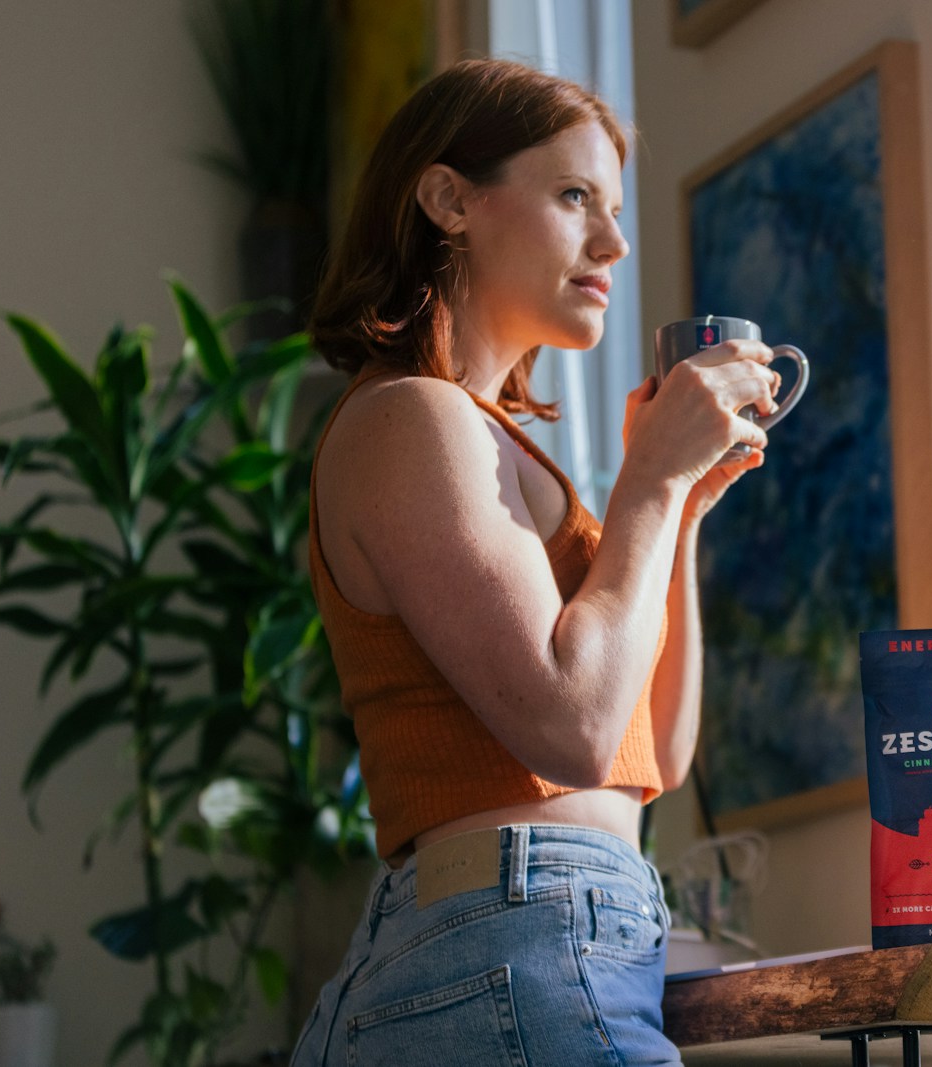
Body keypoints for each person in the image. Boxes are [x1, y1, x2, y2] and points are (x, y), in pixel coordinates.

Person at [288, 58, 779, 1066]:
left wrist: (676, 502)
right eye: (573, 197)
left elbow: (653, 751)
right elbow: (571, 727)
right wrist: (645, 480)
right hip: (513, 938)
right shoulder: (410, 418)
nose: (614, 240)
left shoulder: (490, 442)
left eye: (613, 207)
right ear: (448, 200)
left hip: (552, 932)